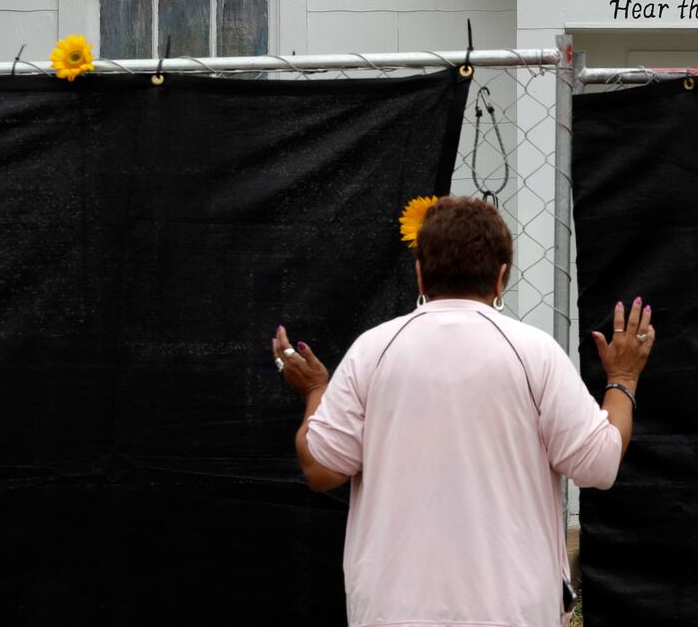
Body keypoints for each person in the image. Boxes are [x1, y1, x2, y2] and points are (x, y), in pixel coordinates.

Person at [272, 196, 655, 627]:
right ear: (501, 276)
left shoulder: (374, 350)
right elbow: (599, 464)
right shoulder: (534, 353)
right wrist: (623, 379)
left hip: (392, 611)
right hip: (511, 612)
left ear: (419, 272)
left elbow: (321, 468)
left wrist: (315, 392)